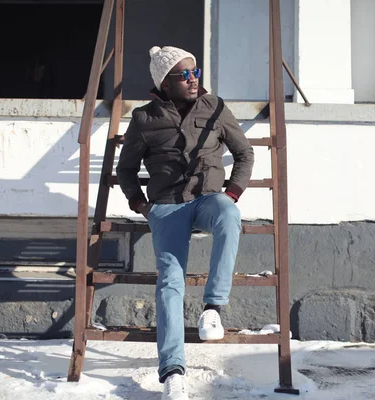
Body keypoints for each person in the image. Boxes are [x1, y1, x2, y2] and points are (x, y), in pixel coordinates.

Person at [115, 46, 254, 400]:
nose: (194, 80)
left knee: (229, 214)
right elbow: (126, 169)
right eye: (185, 75)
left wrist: (233, 191)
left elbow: (244, 152)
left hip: (208, 200)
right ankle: (173, 372)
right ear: (165, 82)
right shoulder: (144, 119)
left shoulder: (216, 108)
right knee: (170, 281)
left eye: (197, 72)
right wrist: (140, 204)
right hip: (166, 206)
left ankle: (212, 309)